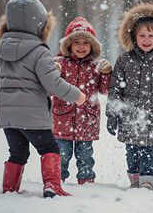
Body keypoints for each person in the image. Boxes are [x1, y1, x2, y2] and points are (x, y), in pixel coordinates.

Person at [0, 0, 86, 198]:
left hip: (7, 116)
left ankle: (10, 189)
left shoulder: (2, 49)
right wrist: (76, 95)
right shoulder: (39, 51)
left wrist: (10, 97)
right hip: (33, 116)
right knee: (49, 147)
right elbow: (52, 83)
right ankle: (52, 186)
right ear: (41, 24)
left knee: (18, 152)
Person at [106, 3, 153, 190]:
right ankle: (135, 179)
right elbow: (115, 89)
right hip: (129, 116)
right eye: (142, 35)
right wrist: (112, 114)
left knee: (149, 152)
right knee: (131, 152)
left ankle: (147, 183)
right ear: (133, 37)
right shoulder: (124, 60)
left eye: (151, 35)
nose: (146, 40)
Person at [52, 17, 112, 184]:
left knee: (86, 156)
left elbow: (104, 90)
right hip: (62, 118)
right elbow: (49, 90)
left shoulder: (95, 66)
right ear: (68, 44)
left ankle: (86, 181)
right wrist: (53, 74)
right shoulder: (59, 63)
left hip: (87, 120)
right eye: (76, 42)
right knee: (61, 155)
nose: (81, 46)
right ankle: (57, 180)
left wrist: (106, 74)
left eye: (86, 42)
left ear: (92, 46)